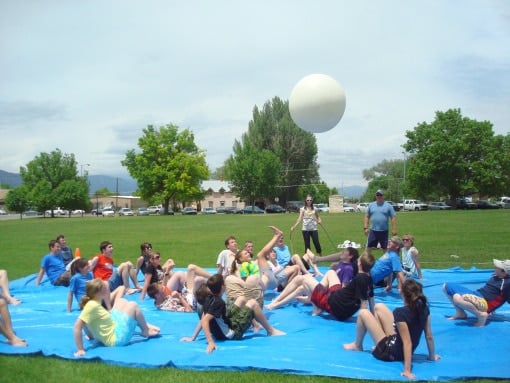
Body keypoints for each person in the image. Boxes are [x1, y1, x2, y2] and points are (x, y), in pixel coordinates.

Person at [343, 279, 440, 380]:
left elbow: (407, 343)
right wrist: (431, 356)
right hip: (396, 343)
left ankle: (357, 345)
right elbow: (429, 335)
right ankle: (377, 343)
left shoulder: (401, 313)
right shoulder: (424, 308)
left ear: (403, 294)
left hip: (389, 352)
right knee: (379, 307)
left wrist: (407, 370)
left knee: (363, 313)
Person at [180, 274, 285, 354]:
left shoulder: (209, 299)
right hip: (233, 333)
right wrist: (210, 342)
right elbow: (205, 320)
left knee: (241, 299)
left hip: (225, 326)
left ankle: (256, 325)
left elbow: (203, 317)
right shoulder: (218, 302)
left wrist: (193, 337)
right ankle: (271, 331)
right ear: (222, 287)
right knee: (253, 303)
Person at [266, 250, 375, 321]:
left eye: (358, 260)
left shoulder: (359, 277)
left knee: (304, 279)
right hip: (338, 298)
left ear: (359, 263)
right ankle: (311, 298)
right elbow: (371, 299)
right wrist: (374, 316)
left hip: (334, 304)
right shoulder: (368, 278)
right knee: (330, 273)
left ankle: (315, 304)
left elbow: (364, 305)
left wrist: (365, 322)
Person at [73, 278, 160, 356]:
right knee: (133, 305)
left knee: (121, 301)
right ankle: (145, 330)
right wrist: (80, 349)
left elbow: (86, 323)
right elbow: (78, 326)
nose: (107, 289)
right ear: (100, 291)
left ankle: (145, 325)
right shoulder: (92, 305)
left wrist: (91, 336)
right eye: (105, 287)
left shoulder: (94, 302)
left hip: (114, 327)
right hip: (116, 339)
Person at [443, 258, 510, 327]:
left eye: (497, 267)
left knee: (457, 298)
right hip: (477, 294)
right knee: (446, 286)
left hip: (485, 303)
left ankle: (481, 315)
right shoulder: (496, 276)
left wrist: (491, 308)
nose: (494, 267)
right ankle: (460, 313)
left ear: (504, 272)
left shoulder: (507, 284)